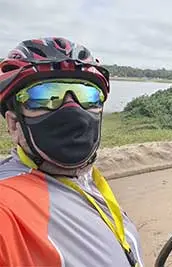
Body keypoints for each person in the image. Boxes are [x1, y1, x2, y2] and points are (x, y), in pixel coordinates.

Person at [0, 37, 144, 266]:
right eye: (46, 96)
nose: (73, 110)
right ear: (14, 124)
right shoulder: (7, 206)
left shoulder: (85, 179)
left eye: (87, 95)